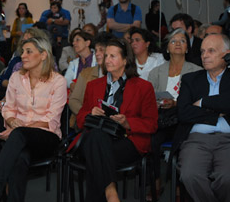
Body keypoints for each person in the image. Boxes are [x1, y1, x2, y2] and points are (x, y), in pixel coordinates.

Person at [0, 37, 67, 202]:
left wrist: (20, 128)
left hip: (46, 137)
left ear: (43, 55)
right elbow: (8, 107)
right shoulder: (16, 78)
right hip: (18, 138)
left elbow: (51, 118)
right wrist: (10, 119)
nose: (23, 55)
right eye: (22, 51)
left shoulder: (58, 81)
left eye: (29, 51)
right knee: (20, 156)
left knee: (19, 135)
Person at [68, 38, 158, 202]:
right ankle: (111, 193)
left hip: (126, 141)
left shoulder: (143, 87)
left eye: (113, 56)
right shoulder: (93, 85)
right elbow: (80, 118)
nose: (107, 59)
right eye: (106, 55)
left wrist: (127, 122)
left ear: (125, 60)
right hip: (96, 138)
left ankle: (111, 194)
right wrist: (91, 113)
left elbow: (151, 124)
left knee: (95, 150)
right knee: (97, 138)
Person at [171, 34, 230, 202]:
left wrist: (203, 102)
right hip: (196, 140)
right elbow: (183, 113)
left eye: (211, 51)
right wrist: (217, 112)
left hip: (228, 140)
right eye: (203, 51)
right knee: (189, 175)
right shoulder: (190, 79)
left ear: (226, 54)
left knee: (227, 179)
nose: (204, 55)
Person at [147, 29, 201, 200]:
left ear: (187, 48)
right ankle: (156, 181)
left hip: (184, 119)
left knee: (182, 144)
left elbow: (200, 101)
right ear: (167, 48)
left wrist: (176, 103)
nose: (178, 43)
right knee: (151, 140)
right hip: (162, 118)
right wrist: (156, 103)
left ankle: (179, 186)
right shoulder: (156, 72)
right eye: (173, 41)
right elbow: (147, 99)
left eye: (182, 41)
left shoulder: (197, 71)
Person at [69, 32, 114, 129]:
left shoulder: (116, 75)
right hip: (88, 123)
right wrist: (89, 114)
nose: (97, 54)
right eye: (96, 50)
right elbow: (74, 100)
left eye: (101, 50)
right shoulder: (86, 73)